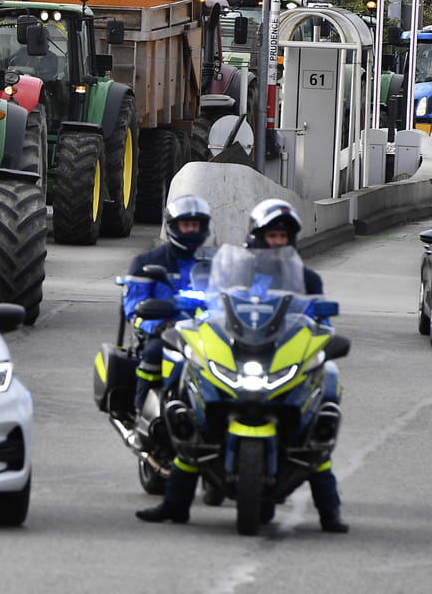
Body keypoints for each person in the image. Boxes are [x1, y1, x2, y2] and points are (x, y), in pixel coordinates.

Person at [138, 197, 348, 533]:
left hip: (279, 356)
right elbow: (216, 303)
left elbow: (317, 322)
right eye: (272, 235)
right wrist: (191, 308)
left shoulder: (306, 279)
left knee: (320, 416)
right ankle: (173, 499)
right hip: (242, 351)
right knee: (188, 404)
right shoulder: (237, 267)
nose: (277, 242)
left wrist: (320, 336)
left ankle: (330, 513)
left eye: (283, 236)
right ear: (256, 235)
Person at [123, 195, 213, 415]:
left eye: (196, 225)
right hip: (165, 330)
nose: (191, 230)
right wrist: (157, 322)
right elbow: (134, 306)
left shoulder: (215, 262)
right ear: (173, 226)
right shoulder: (146, 262)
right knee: (154, 353)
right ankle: (141, 410)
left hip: (209, 331)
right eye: (186, 225)